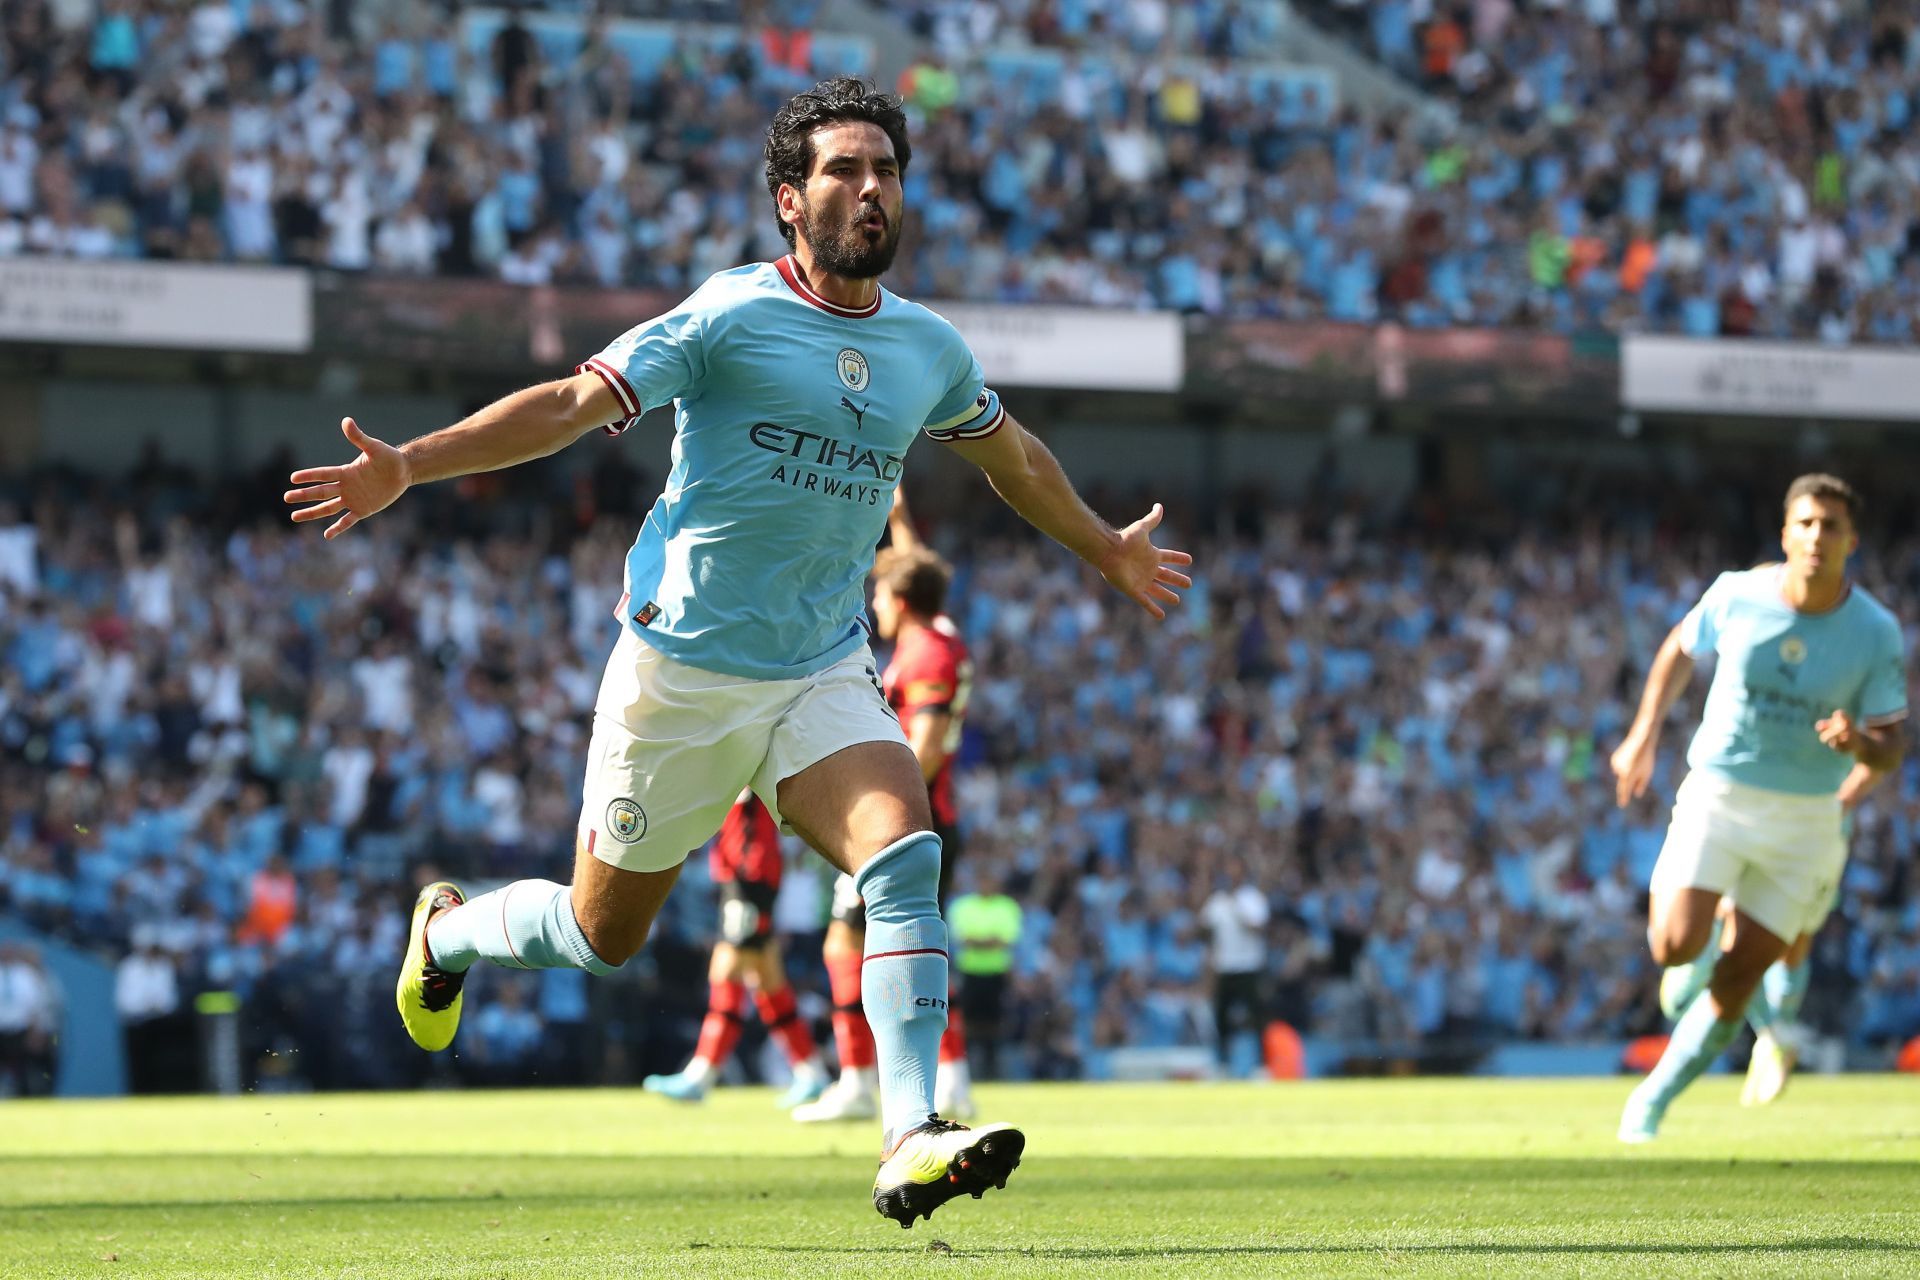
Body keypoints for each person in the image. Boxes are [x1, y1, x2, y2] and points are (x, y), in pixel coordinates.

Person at [284, 76, 1191, 1226]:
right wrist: (408, 463)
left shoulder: (928, 348)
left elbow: (1009, 457)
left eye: (887, 171)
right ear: (788, 200)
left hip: (819, 665)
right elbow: (572, 400)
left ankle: (911, 1130)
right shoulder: (726, 316)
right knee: (600, 933)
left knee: (904, 851)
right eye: (845, 171)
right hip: (683, 671)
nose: (871, 190)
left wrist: (1105, 546)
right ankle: (450, 929)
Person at [1609, 474, 1907, 1142]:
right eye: (1805, 523)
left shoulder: (1876, 633)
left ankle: (1651, 1104)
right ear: (1784, 533)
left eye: (1831, 527)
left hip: (1805, 818)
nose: (1816, 537)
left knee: (1743, 973)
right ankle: (1707, 939)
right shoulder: (1737, 593)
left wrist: (1860, 742)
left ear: (1850, 543)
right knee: (1672, 943)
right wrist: (1642, 735)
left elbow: (1892, 745)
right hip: (1720, 793)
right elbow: (1678, 651)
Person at [796, 490, 976, 1123]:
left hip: (904, 819)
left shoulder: (925, 654)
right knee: (916, 940)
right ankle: (950, 1077)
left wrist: (879, 810)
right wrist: (900, 518)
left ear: (900, 602)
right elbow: (914, 574)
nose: (874, 603)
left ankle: (857, 1081)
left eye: (881, 596)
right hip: (938, 815)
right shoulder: (942, 634)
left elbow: (923, 744)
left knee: (847, 944)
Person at [643, 792, 831, 1107]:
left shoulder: (739, 750)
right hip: (750, 871)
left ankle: (701, 1075)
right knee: (768, 982)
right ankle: (811, 1071)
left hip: (749, 873)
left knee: (726, 970)